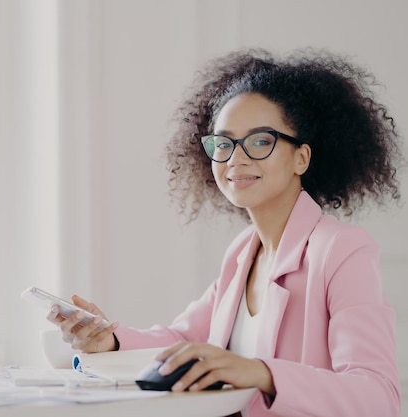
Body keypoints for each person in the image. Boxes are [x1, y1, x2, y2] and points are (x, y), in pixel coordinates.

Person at [47, 48, 403, 417]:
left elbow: (378, 397)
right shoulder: (242, 251)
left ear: (301, 158)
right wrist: (110, 339)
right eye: (223, 142)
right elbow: (185, 339)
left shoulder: (342, 251)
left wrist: (260, 373)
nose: (236, 157)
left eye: (261, 140)